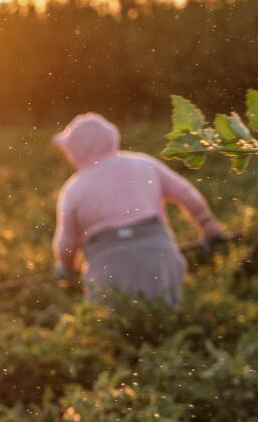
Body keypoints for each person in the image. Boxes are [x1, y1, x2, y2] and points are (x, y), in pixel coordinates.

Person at [50, 112, 229, 306]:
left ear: (74, 150)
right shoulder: (144, 164)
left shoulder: (73, 189)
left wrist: (66, 269)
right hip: (159, 258)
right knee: (166, 314)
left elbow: (66, 243)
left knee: (112, 325)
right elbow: (186, 194)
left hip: (106, 268)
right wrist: (210, 228)